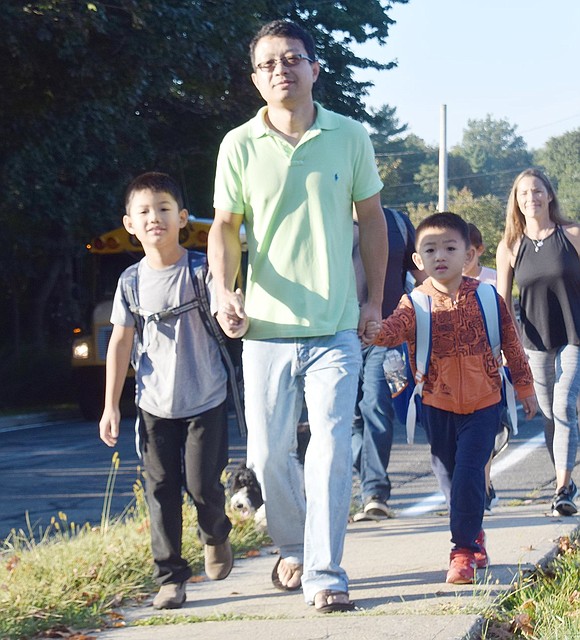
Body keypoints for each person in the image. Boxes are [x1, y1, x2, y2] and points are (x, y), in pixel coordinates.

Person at [208, 19, 387, 613]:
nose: (281, 70)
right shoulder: (238, 144)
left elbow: (373, 222)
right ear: (255, 78)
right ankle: (293, 543)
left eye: (293, 59)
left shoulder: (349, 135)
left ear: (314, 67)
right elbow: (226, 228)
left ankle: (325, 574)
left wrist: (373, 301)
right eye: (268, 64)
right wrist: (222, 289)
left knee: (332, 449)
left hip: (335, 327)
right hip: (264, 330)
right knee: (265, 455)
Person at [367, 212, 537, 584]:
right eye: (430, 249)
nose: (440, 255)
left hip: (485, 401)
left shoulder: (488, 297)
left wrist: (525, 388)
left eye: (450, 247)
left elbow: (512, 344)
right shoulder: (414, 303)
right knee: (448, 474)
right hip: (435, 403)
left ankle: (461, 551)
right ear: (418, 260)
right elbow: (392, 332)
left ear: (468, 254)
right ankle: (474, 534)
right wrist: (371, 329)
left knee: (469, 472)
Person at [99, 172, 233, 610]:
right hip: (153, 405)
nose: (153, 217)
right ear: (130, 225)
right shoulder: (130, 282)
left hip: (206, 398)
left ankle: (215, 534)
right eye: (143, 212)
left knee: (202, 486)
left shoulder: (202, 270)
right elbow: (120, 342)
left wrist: (236, 316)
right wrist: (110, 406)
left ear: (182, 218)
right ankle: (171, 578)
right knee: (160, 491)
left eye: (163, 209)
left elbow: (227, 306)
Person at [496, 168, 580, 517]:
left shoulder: (572, 234)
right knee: (548, 414)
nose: (531, 198)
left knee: (563, 405)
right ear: (516, 202)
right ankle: (566, 480)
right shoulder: (510, 247)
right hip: (535, 340)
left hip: (576, 334)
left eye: (537, 191)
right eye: (523, 193)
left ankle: (562, 487)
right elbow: (503, 302)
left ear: (549, 195)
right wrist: (505, 347)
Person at [351, 207, 422, 520]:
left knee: (378, 406)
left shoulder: (396, 222)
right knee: (346, 416)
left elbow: (422, 275)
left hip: (389, 334)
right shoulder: (326, 215)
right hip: (339, 334)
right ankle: (370, 475)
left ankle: (375, 492)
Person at [463, 222, 500, 512]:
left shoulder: (492, 282)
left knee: (484, 431)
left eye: (469, 252)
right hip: (454, 372)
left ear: (479, 251)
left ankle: (484, 485)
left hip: (489, 368)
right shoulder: (442, 284)